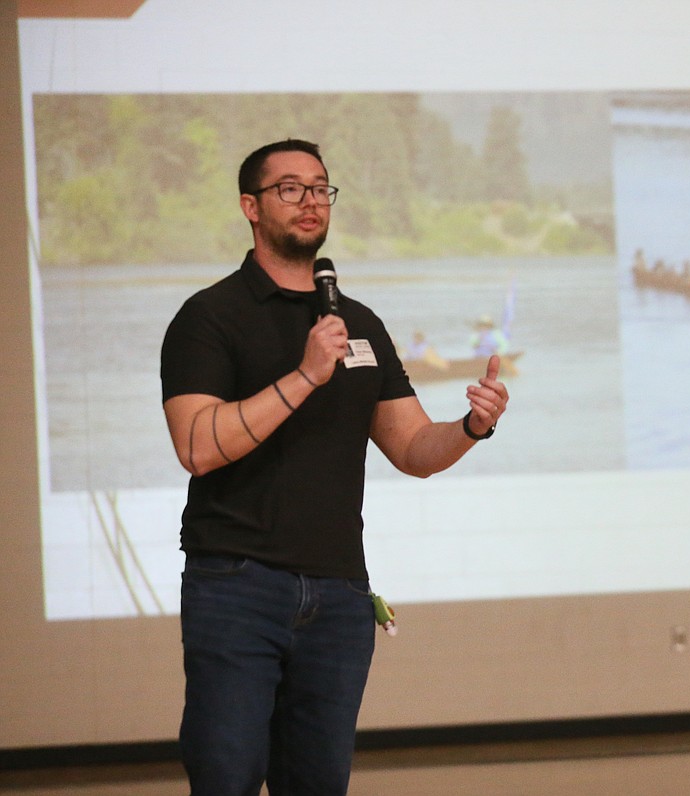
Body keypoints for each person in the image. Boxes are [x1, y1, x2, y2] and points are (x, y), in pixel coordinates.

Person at [159, 139, 509, 796]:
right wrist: (305, 375)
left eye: (320, 187)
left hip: (340, 597)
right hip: (238, 585)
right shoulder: (211, 318)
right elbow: (197, 446)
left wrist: (471, 427)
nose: (311, 200)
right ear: (250, 207)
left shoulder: (359, 324)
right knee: (226, 778)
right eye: (290, 188)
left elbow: (412, 449)